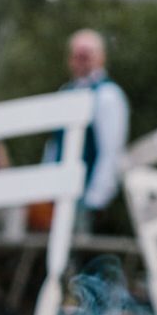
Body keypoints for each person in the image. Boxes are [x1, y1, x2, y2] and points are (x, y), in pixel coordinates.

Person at [56, 28, 131, 231]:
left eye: (87, 54)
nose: (82, 60)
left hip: (87, 195)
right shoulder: (66, 93)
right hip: (60, 193)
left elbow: (111, 149)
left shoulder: (108, 95)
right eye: (77, 55)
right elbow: (55, 145)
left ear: (101, 57)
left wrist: (95, 199)